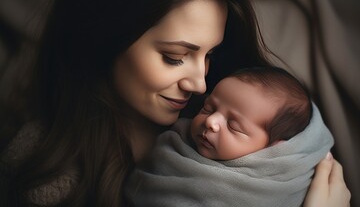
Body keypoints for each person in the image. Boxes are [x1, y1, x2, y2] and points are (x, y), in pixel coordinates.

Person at [0, 0, 350, 206]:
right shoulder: (51, 177)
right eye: (174, 57)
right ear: (103, 40)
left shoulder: (241, 111)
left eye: (209, 54)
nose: (200, 85)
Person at [125, 67, 334, 206]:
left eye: (233, 126)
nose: (211, 121)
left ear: (274, 148)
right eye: (208, 108)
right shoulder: (175, 143)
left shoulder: (282, 184)